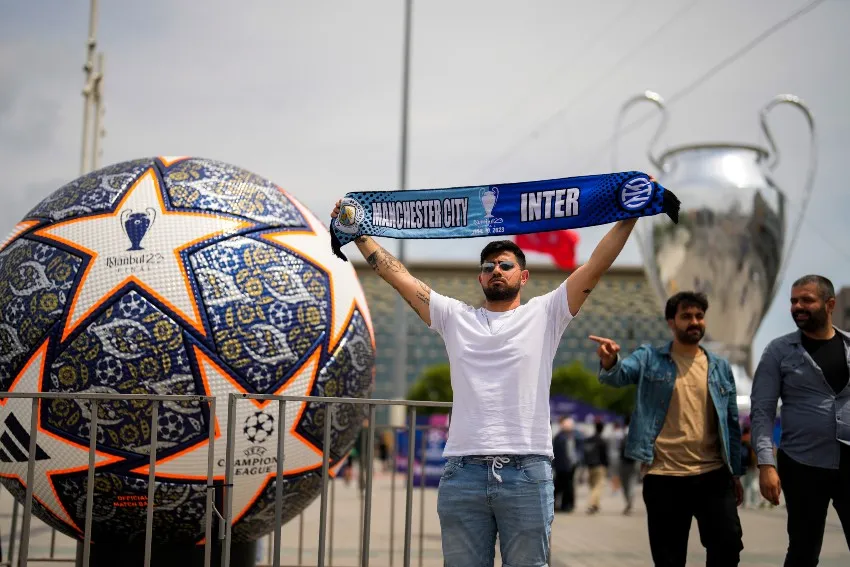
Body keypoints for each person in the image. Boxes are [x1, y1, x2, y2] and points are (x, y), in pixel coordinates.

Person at [331, 201, 639, 567]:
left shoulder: (547, 313)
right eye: (488, 267)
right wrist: (359, 233)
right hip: (463, 473)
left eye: (505, 265)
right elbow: (400, 279)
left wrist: (631, 213)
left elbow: (596, 265)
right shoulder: (454, 317)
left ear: (522, 277)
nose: (496, 270)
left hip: (527, 470)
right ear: (479, 278)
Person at [591, 291, 745, 567]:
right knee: (669, 558)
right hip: (664, 476)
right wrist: (609, 360)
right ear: (671, 322)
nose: (694, 321)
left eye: (699, 316)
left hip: (713, 474)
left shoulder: (719, 366)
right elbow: (619, 375)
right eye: (686, 316)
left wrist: (736, 472)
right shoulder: (649, 357)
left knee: (728, 545)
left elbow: (731, 422)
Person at [750, 274, 850, 566]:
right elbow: (762, 410)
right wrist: (766, 464)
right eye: (793, 301)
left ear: (830, 304)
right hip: (802, 464)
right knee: (803, 551)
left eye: (806, 300)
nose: (797, 306)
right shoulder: (778, 351)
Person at [552, 416, 582, 513]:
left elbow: (577, 452)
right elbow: (556, 453)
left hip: (570, 466)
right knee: (561, 486)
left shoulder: (575, 437)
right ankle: (562, 505)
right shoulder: (559, 438)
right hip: (562, 466)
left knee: (568, 486)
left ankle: (567, 505)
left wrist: (577, 462)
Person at [582, 419, 609, 514]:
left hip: (590, 466)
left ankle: (595, 506)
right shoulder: (602, 440)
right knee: (598, 487)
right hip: (599, 466)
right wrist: (606, 465)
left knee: (592, 486)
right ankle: (591, 504)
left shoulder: (589, 440)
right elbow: (605, 455)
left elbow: (585, 452)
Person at [619, 415, 637, 515]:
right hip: (634, 461)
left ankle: (628, 503)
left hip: (623, 462)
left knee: (625, 484)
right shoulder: (636, 431)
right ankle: (630, 503)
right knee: (632, 483)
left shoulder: (621, 433)